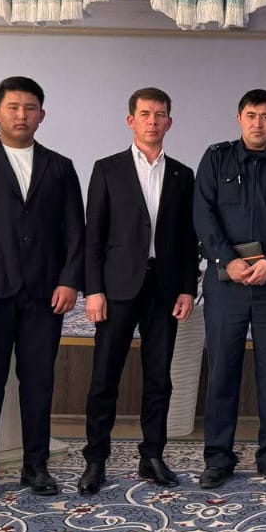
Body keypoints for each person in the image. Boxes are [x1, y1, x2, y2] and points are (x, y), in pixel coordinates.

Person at [0, 77, 84, 508]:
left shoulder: (60, 167)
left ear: (42, 115)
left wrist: (69, 280)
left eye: (30, 108)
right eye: (13, 107)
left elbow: (75, 231)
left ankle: (36, 466)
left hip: (44, 296)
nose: (21, 115)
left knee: (39, 383)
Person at [78, 88, 200, 495]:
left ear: (170, 122)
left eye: (160, 115)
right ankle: (96, 459)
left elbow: (188, 239)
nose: (152, 121)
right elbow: (93, 236)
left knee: (159, 377)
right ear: (131, 120)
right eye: (145, 114)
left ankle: (153, 456)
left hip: (164, 288)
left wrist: (187, 288)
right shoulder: (107, 169)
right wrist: (93, 290)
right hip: (116, 288)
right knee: (104, 377)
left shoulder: (182, 174)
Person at [194, 89, 266, 489]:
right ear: (239, 118)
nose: (259, 123)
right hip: (226, 283)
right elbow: (203, 214)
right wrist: (228, 259)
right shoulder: (216, 158)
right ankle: (218, 458)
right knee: (222, 370)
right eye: (252, 115)